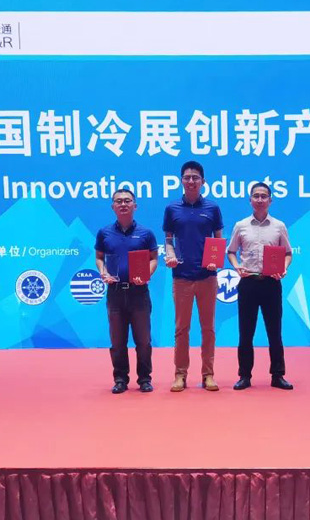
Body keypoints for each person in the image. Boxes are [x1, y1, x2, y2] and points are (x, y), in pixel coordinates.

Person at [163, 161, 223, 392]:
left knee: (208, 329)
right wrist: (170, 255)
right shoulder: (172, 209)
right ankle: (180, 375)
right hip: (181, 277)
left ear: (203, 182)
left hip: (207, 276)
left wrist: (215, 260)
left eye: (195, 177)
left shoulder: (212, 208)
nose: (191, 181)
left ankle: (208, 374)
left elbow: (218, 240)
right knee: (181, 329)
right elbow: (168, 240)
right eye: (187, 177)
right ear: (181, 180)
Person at [227, 182, 294, 390]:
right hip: (248, 283)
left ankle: (278, 375)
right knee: (246, 332)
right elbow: (231, 251)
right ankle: (244, 375)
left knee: (275, 332)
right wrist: (237, 266)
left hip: (271, 284)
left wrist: (284, 268)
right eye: (256, 196)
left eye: (264, 196)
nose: (260, 199)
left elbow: (288, 253)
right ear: (250, 200)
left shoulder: (279, 226)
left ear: (270, 201)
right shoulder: (241, 225)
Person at [95, 188, 158, 394]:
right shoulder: (104, 233)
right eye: (119, 201)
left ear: (135, 206)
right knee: (117, 341)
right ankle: (120, 379)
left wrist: (146, 274)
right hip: (115, 293)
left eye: (127, 201)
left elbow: (154, 259)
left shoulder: (146, 233)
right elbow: (99, 257)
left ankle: (145, 379)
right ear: (113, 206)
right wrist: (103, 272)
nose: (123, 204)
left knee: (143, 341)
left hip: (139, 293)